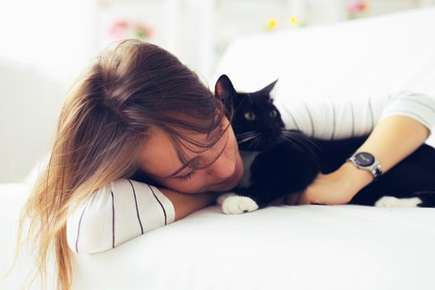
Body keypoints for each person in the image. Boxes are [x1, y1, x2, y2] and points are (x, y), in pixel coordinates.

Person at [14, 39, 435, 290]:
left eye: (218, 135)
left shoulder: (250, 118)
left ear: (218, 104)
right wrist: (216, 195)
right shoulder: (117, 185)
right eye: (186, 171)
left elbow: (415, 103)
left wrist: (346, 179)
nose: (221, 168)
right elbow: (87, 225)